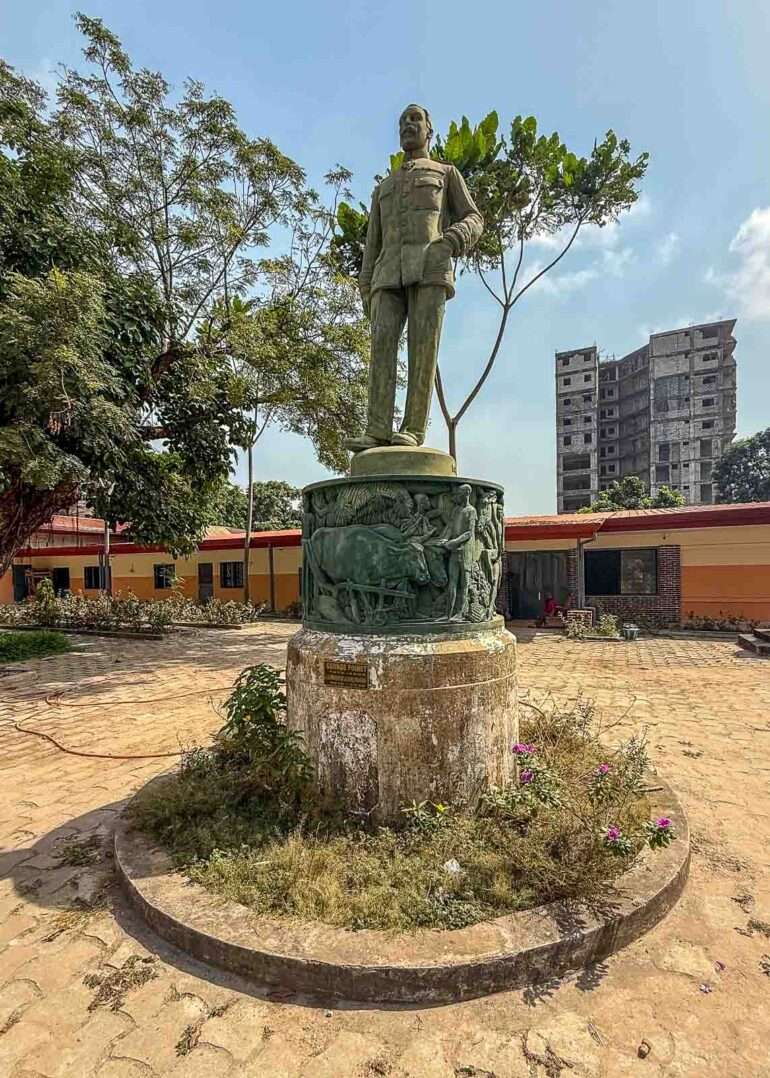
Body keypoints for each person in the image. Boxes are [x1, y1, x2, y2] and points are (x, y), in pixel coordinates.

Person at [346, 104, 483, 451]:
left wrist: (450, 242)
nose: (408, 125)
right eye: (402, 121)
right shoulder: (384, 188)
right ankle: (376, 428)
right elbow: (371, 245)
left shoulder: (446, 173)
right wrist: (366, 289)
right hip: (386, 275)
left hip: (430, 268)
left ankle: (413, 429)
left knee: (423, 350)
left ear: (429, 131)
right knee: (381, 349)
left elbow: (473, 217)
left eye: (415, 120)